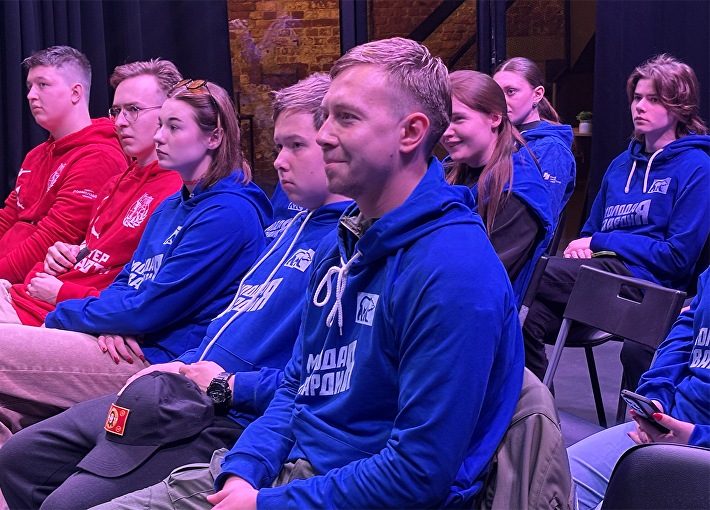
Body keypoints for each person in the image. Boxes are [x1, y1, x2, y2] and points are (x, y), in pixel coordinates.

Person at [88, 36, 524, 510]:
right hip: (288, 471)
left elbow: (418, 475)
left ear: (411, 133)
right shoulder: (346, 240)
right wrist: (244, 470)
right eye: (326, 116)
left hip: (350, 492)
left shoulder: (454, 270)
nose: (324, 136)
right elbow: (299, 386)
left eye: (347, 118)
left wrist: (263, 502)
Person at [0, 72, 352, 510]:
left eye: (296, 146)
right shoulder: (282, 226)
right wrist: (177, 360)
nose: (278, 161)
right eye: (278, 146)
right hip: (180, 377)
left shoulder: (293, 230)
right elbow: (142, 289)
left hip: (224, 408)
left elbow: (311, 381)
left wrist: (65, 309)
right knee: (19, 457)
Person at [0, 77, 271, 510]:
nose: (159, 136)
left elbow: (148, 310)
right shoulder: (172, 205)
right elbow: (126, 286)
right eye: (161, 124)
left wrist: (63, 313)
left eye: (174, 126)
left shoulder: (229, 212)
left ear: (214, 137)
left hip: (156, 363)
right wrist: (110, 319)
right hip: (116, 341)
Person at [0, 59, 183, 331]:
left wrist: (71, 297)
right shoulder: (115, 183)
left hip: (46, 303)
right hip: (28, 293)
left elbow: (139, 293)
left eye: (133, 110)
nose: (120, 121)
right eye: (117, 111)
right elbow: (84, 251)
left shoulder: (164, 185)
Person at [523, 54, 710, 382]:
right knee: (524, 320)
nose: (640, 107)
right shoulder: (621, 165)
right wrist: (587, 245)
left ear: (680, 107)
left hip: (648, 290)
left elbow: (677, 258)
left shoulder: (697, 167)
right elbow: (589, 231)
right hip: (598, 280)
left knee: (527, 272)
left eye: (653, 99)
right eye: (637, 98)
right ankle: (537, 408)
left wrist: (601, 242)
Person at [0, 46, 128, 294]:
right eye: (30, 86)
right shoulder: (36, 155)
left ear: (75, 93)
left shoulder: (99, 156)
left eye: (42, 85)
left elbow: (53, 238)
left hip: (26, 289)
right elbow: (3, 223)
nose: (31, 95)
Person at [567, 266, 710, 510]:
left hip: (698, 446)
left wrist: (698, 440)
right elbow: (688, 329)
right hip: (668, 426)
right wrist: (656, 396)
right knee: (545, 484)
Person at [441, 70, 553, 305]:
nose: (446, 132)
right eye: (442, 121)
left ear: (494, 118)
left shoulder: (517, 191)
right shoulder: (449, 169)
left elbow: (474, 282)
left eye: (458, 119)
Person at [494, 57, 576, 222]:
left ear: (537, 94)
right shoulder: (493, 138)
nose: (501, 101)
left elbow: (537, 217)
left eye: (511, 91)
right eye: (496, 93)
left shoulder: (551, 148)